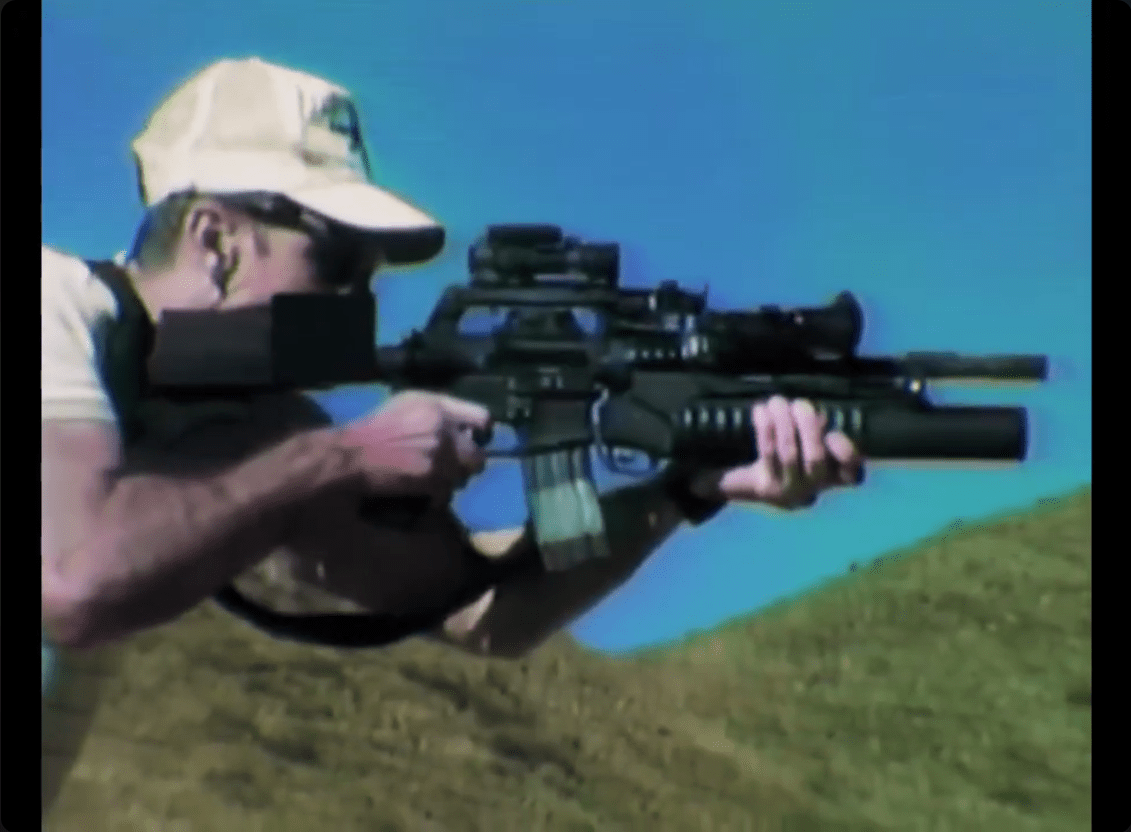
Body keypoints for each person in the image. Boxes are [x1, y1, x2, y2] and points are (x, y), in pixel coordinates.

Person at [41, 57, 864, 814]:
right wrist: (344, 455)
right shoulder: (51, 300)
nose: (358, 306)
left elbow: (484, 612)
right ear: (215, 242)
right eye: (339, 264)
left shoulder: (253, 425)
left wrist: (688, 488)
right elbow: (76, 584)